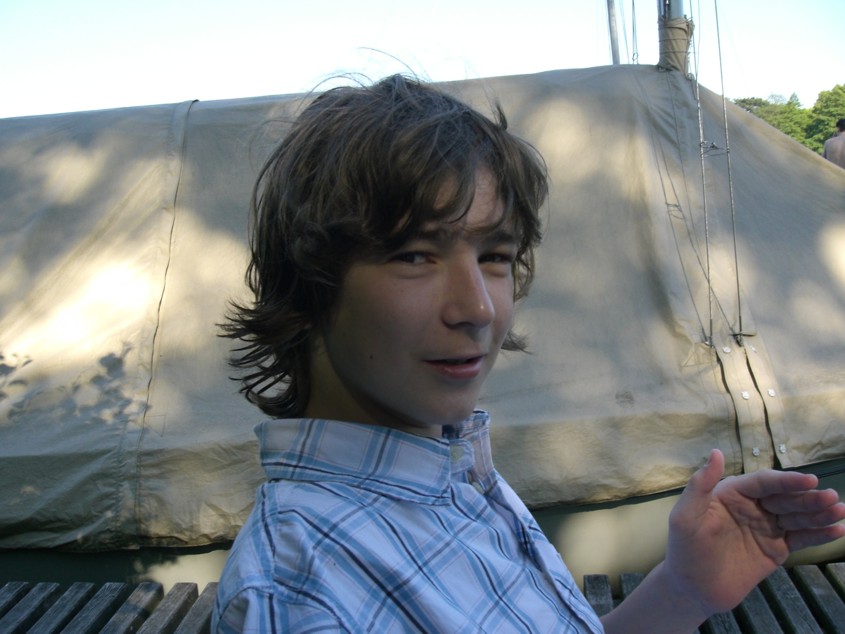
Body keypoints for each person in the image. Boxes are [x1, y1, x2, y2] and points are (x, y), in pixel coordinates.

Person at [213, 75, 845, 633]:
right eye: (414, 255)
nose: (478, 307)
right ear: (308, 281)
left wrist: (682, 593)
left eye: (495, 256)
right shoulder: (300, 594)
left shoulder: (449, 467)